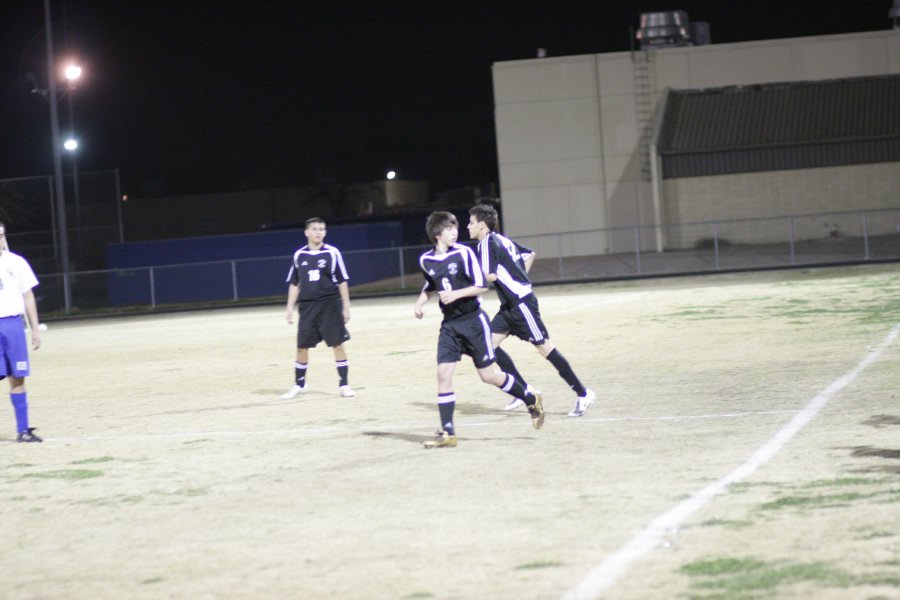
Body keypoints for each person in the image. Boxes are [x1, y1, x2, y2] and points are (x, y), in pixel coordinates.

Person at [414, 211, 544, 449]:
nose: (456, 231)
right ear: (436, 234)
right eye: (450, 228)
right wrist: (420, 302)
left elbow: (481, 285)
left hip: (474, 321)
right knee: (443, 375)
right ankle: (448, 433)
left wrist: (456, 294)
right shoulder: (426, 260)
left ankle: (530, 397)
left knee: (489, 376)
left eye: (456, 227)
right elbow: (431, 284)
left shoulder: (464, 253)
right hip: (450, 325)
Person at [467, 203, 596, 417]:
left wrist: (467, 283)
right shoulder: (502, 240)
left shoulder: (486, 243)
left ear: (482, 225)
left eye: (471, 223)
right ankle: (523, 392)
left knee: (545, 348)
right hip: (510, 305)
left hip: (521, 304)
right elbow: (530, 254)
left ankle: (583, 394)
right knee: (488, 344)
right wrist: (519, 276)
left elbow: (488, 276)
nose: (467, 226)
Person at [281, 217, 355, 399]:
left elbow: (342, 280)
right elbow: (295, 283)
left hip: (329, 304)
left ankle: (344, 385)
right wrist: (289, 308)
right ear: (306, 232)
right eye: (314, 229)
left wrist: (346, 306)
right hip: (307, 306)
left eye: (321, 229)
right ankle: (299, 384)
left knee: (337, 344)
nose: (318, 232)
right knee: (302, 346)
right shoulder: (299, 255)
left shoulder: (332, 253)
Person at [0, 222, 43, 442]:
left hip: (13, 327)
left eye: (1, 235)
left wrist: (34, 328)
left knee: (18, 379)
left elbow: (28, 296)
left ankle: (23, 431)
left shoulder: (16, 263)